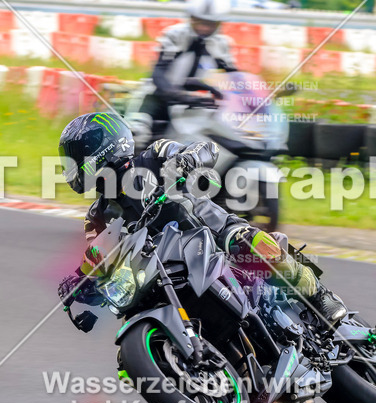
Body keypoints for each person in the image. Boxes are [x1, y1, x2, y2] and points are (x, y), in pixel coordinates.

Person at [55, 112, 347, 324]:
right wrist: (79, 281)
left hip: (213, 233)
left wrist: (187, 158)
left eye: (75, 158)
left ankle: (318, 295)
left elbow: (206, 149)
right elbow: (98, 257)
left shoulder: (153, 156)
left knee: (248, 242)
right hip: (163, 271)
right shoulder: (97, 215)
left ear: (99, 150)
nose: (72, 167)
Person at [131, 0, 239, 147]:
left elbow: (234, 77)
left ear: (219, 24)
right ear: (191, 18)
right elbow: (159, 73)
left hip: (198, 102)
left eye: (210, 24)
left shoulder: (223, 44)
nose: (203, 28)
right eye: (199, 22)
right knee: (138, 133)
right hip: (159, 96)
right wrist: (177, 94)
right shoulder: (175, 34)